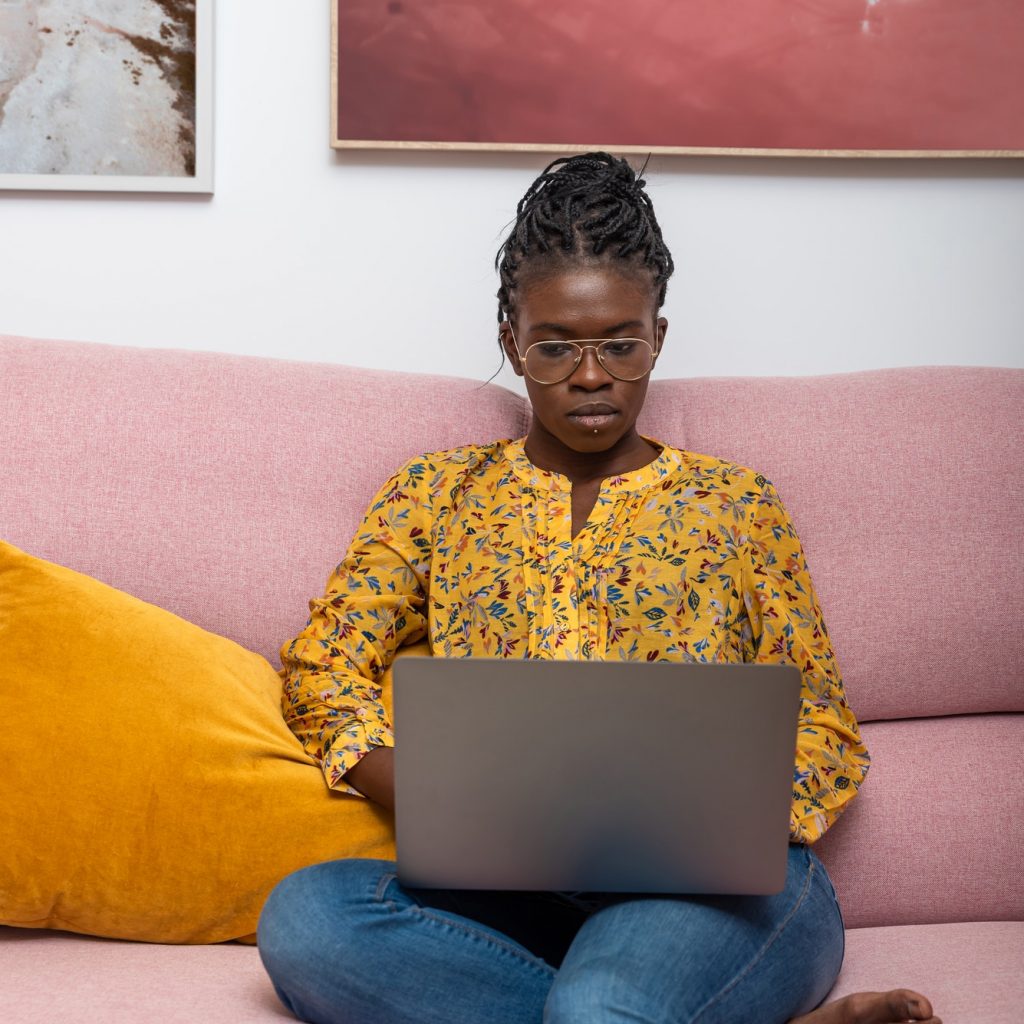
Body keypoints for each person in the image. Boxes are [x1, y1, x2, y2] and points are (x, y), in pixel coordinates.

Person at [257, 153, 940, 1024]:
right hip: (513, 891)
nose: (590, 375)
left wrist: (704, 824)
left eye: (620, 343)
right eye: (555, 348)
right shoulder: (433, 493)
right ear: (513, 342)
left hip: (721, 898)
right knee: (309, 919)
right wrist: (451, 800)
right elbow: (322, 671)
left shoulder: (736, 504)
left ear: (659, 335)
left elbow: (826, 729)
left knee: (599, 1005)